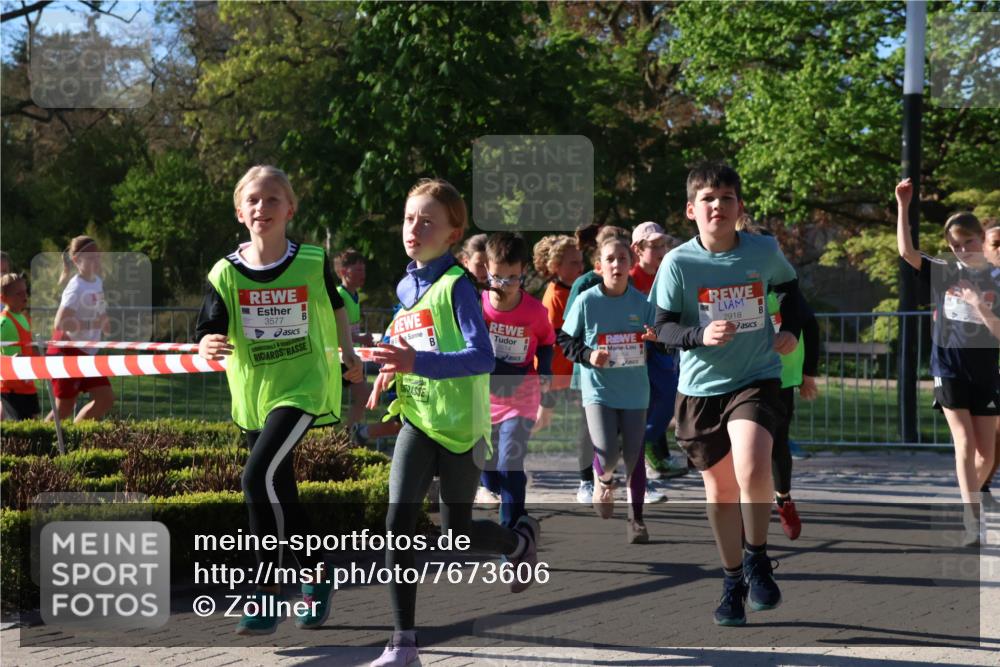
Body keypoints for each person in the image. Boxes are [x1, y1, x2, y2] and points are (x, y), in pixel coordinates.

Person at [366, 179, 540, 667]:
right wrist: (386, 367)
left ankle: (517, 539)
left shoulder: (458, 286)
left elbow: (480, 357)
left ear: (452, 233)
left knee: (454, 537)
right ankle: (403, 645)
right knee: (397, 521)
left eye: (427, 221)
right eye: (408, 218)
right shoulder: (407, 287)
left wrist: (414, 364)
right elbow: (404, 333)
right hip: (418, 422)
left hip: (461, 429)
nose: (414, 228)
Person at [196, 165, 362, 635]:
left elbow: (334, 305)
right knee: (281, 492)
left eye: (272, 200)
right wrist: (206, 344)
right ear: (238, 212)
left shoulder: (311, 260)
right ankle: (319, 572)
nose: (261, 208)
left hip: (304, 386)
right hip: (255, 394)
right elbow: (208, 325)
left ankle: (265, 591)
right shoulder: (225, 272)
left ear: (290, 209)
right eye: (252, 200)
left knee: (255, 477)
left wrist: (348, 354)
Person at [651, 162, 803, 626]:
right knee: (719, 494)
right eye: (709, 199)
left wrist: (791, 328)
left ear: (739, 207)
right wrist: (699, 335)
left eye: (727, 197)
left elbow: (792, 290)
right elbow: (659, 329)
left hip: (756, 377)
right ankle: (732, 578)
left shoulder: (763, 249)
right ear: (691, 209)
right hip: (699, 391)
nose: (718, 205)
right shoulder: (679, 262)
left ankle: (756, 557)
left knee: (753, 462)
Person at [895, 178, 999, 545]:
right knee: (965, 443)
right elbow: (907, 251)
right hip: (948, 367)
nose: (961, 250)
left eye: (968, 242)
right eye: (954, 245)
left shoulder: (995, 276)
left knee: (987, 455)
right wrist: (903, 205)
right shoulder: (945, 272)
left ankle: (973, 493)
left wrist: (980, 305)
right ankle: (972, 520)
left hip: (985, 372)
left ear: (982, 238)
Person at [560, 233, 658, 543]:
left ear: (631, 263)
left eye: (622, 259)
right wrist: (589, 355)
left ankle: (636, 520)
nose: (617, 264)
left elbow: (661, 341)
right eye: (610, 260)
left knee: (634, 456)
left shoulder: (642, 303)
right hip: (598, 390)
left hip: (634, 391)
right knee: (606, 450)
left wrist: (655, 340)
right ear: (599, 266)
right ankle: (602, 479)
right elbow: (564, 340)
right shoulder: (587, 300)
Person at [736, 218, 821, 540]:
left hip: (781, 378)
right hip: (742, 376)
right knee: (743, 448)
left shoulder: (786, 289)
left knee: (777, 445)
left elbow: (811, 327)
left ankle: (783, 498)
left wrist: (808, 374)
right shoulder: (738, 288)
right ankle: (746, 508)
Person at [480, 231, 555, 527]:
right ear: (487, 269)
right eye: (497, 277)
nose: (504, 286)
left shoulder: (535, 311)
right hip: (483, 398)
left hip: (521, 396)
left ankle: (511, 540)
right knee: (487, 465)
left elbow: (547, 345)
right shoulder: (477, 305)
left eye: (512, 278)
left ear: (523, 271)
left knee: (509, 462)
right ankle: (518, 511)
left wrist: (546, 390)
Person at [630, 221, 688, 480]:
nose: (662, 251)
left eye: (664, 244)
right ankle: (644, 457)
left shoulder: (669, 274)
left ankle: (646, 446)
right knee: (640, 405)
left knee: (669, 399)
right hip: (634, 353)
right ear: (637, 249)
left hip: (662, 350)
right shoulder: (630, 278)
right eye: (654, 246)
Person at [47, 236, 114, 423]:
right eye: (91, 257)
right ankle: (38, 439)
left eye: (97, 256)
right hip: (66, 351)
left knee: (105, 399)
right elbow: (60, 323)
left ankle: (76, 437)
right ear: (77, 260)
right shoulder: (75, 287)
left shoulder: (97, 281)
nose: (96, 260)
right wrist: (93, 324)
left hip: (85, 353)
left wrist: (104, 321)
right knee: (64, 408)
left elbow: (99, 306)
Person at [533, 234, 584, 433]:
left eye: (581, 262)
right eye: (573, 263)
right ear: (555, 266)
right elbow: (554, 339)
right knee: (541, 420)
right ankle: (506, 451)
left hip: (567, 370)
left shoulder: (574, 290)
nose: (580, 267)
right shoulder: (554, 295)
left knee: (547, 421)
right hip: (553, 372)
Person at [334, 248, 375, 430]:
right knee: (362, 395)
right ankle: (343, 436)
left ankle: (346, 435)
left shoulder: (355, 295)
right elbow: (335, 332)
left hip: (350, 358)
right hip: (337, 358)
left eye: (364, 270)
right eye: (357, 270)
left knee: (364, 395)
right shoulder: (339, 295)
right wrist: (360, 337)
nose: (363, 274)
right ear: (343, 272)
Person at [1, 273, 40, 421]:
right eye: (18, 293)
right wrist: (9, 359)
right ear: (3, 298)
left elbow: (28, 346)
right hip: (11, 388)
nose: (24, 296)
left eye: (25, 292)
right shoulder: (4, 322)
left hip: (27, 384)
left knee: (33, 426)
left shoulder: (23, 317)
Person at [981, 219, 1000, 512]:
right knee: (992, 444)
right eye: (996, 244)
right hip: (984, 369)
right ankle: (977, 492)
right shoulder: (978, 280)